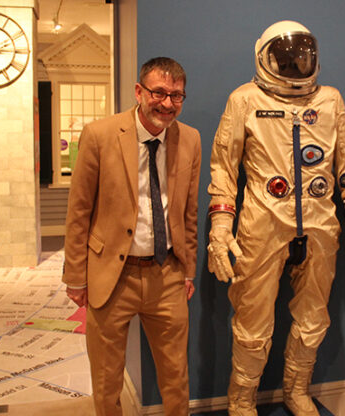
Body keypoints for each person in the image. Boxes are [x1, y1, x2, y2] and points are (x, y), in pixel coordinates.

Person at [206, 21, 345, 416]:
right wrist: (220, 228)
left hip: (320, 225)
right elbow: (223, 168)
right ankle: (241, 400)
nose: (294, 64)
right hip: (262, 224)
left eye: (301, 57)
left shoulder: (330, 101)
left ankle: (297, 390)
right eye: (284, 58)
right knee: (252, 321)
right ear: (264, 57)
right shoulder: (244, 100)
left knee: (314, 316)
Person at [62, 57, 201, 416]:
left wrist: (188, 269)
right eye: (159, 93)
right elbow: (79, 212)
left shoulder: (190, 139)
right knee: (107, 379)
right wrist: (76, 276)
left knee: (176, 376)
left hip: (167, 274)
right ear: (139, 91)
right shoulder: (99, 135)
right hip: (112, 275)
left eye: (176, 96)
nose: (167, 103)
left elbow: (189, 213)